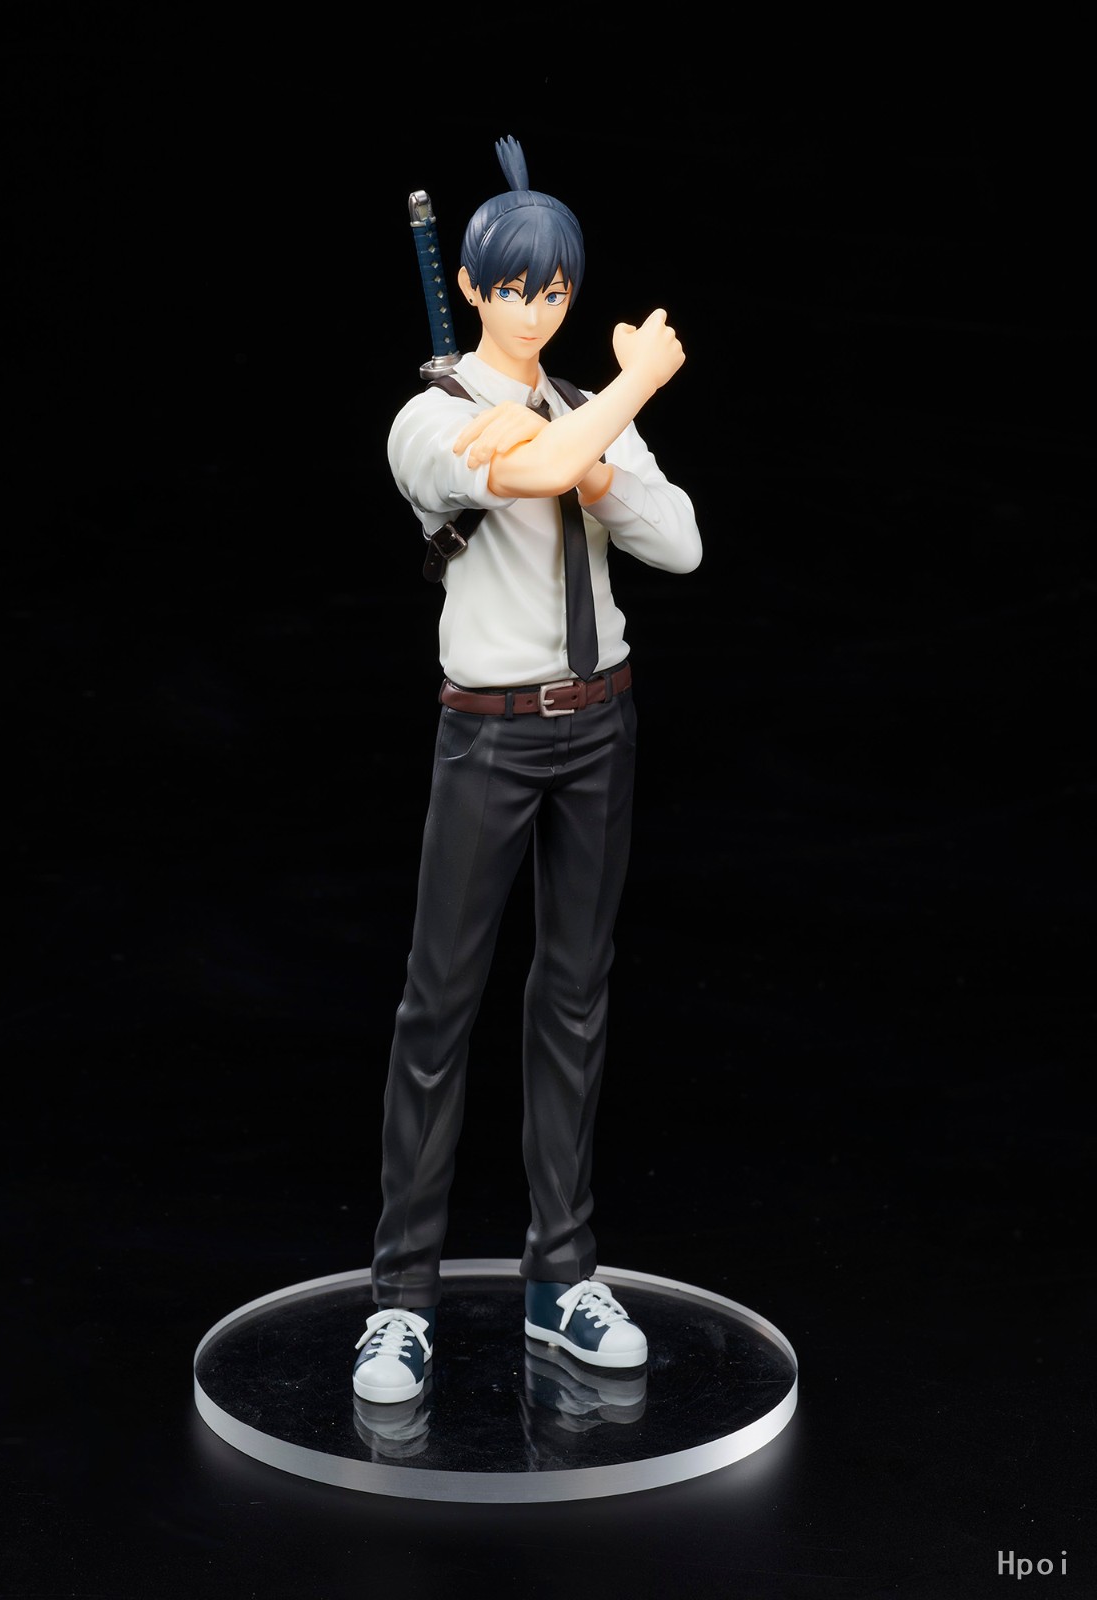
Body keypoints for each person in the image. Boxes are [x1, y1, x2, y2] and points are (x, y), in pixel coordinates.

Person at [352, 137, 701, 1405]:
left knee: (575, 1000)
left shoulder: (576, 410)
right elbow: (535, 470)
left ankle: (563, 1274)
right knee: (438, 1008)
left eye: (555, 291)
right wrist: (633, 388)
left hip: (600, 723)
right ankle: (401, 1298)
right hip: (490, 733)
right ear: (469, 285)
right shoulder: (431, 420)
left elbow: (680, 542)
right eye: (513, 289)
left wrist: (598, 447)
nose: (536, 311)